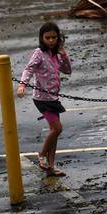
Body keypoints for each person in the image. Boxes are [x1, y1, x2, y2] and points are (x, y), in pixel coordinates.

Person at [17, 21, 72, 177]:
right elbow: (29, 69)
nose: (50, 41)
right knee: (57, 129)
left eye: (54, 37)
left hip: (53, 98)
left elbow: (67, 71)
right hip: (41, 99)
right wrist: (22, 85)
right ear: (42, 38)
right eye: (47, 38)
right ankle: (41, 155)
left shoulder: (55, 55)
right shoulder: (39, 53)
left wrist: (64, 56)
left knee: (54, 133)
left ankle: (51, 167)